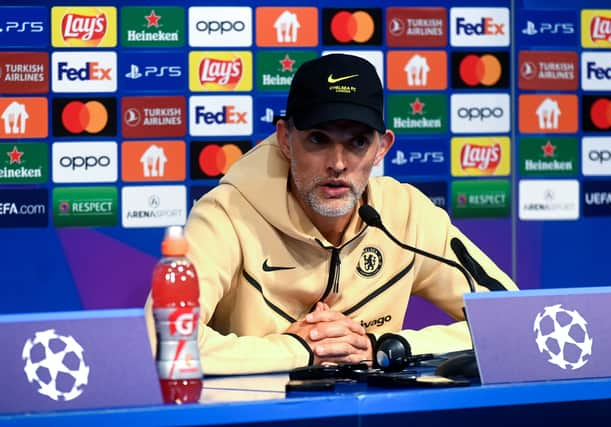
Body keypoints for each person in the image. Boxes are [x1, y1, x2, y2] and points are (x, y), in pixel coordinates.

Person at [145, 53, 518, 375]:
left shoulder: (407, 215)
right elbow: (162, 342)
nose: (338, 164)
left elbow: (514, 320)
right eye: (318, 140)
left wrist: (386, 347)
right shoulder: (226, 214)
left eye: (357, 142)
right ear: (286, 140)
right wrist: (301, 350)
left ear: (382, 147)